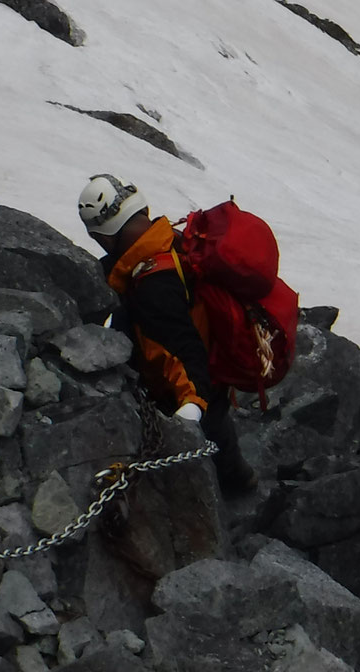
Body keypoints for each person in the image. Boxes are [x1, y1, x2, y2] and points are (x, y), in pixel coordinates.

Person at [77, 173, 259, 496]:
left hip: (195, 383)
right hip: (211, 355)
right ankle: (238, 477)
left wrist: (189, 408)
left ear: (105, 237)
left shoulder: (151, 287)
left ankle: (236, 484)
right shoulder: (166, 240)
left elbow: (183, 352)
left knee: (214, 430)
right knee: (217, 418)